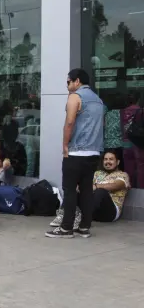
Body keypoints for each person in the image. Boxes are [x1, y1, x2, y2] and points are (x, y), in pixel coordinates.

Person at [46, 68, 104, 238]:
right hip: (94, 151)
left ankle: (66, 228)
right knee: (86, 190)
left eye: (68, 82)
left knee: (69, 190)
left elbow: (70, 122)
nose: (67, 85)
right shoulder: (99, 100)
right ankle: (85, 227)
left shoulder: (75, 97)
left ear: (76, 81)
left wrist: (65, 145)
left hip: (77, 151)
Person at [51, 151, 130, 229]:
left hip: (110, 213)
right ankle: (63, 215)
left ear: (118, 162)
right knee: (72, 189)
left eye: (111, 159)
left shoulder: (122, 174)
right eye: (105, 159)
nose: (107, 162)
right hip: (92, 212)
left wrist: (96, 186)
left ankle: (80, 218)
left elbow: (117, 185)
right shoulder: (97, 173)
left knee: (100, 192)